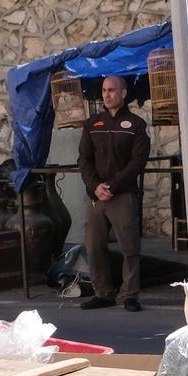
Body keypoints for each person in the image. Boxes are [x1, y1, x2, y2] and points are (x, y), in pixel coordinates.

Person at [76, 74, 150, 312]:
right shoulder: (92, 124)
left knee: (130, 247)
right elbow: (84, 159)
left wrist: (113, 186)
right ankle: (103, 293)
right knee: (94, 245)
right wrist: (95, 186)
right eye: (104, 91)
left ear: (123, 93)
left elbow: (137, 162)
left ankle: (129, 294)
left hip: (122, 194)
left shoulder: (136, 125)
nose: (106, 95)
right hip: (97, 195)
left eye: (111, 90)